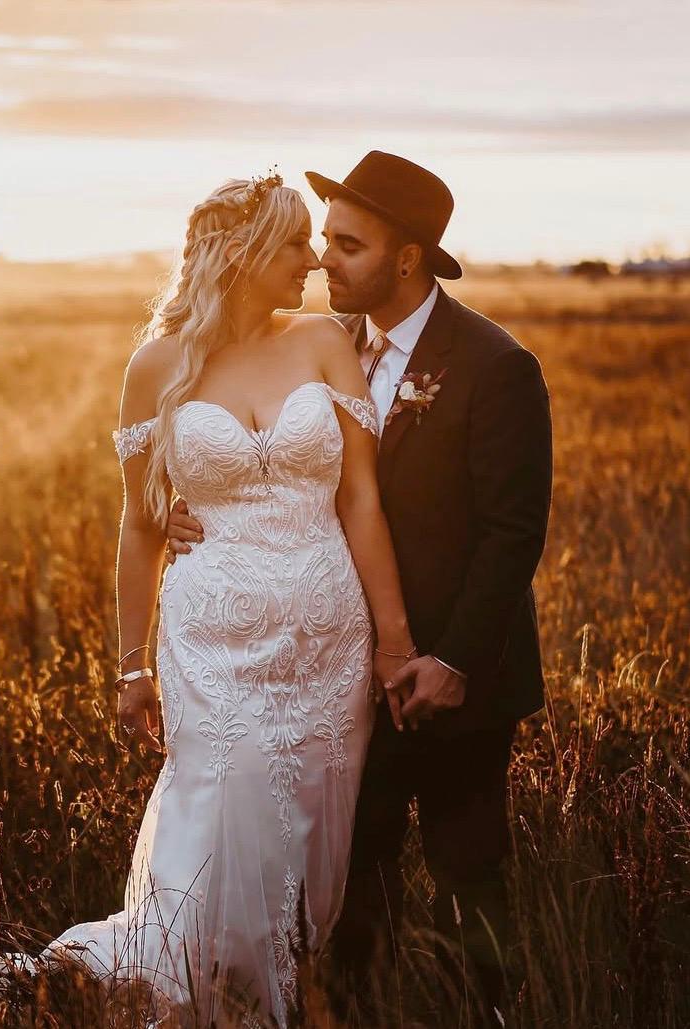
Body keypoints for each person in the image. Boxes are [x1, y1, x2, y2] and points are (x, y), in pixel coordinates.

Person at [0, 171, 416, 1029]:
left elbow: (361, 499)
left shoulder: (324, 340)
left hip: (326, 648)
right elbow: (139, 527)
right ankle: (173, 995)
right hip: (213, 650)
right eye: (294, 243)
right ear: (242, 254)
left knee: (306, 841)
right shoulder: (156, 365)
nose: (312, 260)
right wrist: (130, 666)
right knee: (217, 822)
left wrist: (392, 640)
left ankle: (275, 996)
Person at [164, 151, 554, 1024]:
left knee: (465, 872)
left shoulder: (495, 365)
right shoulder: (319, 343)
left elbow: (512, 536)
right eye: (323, 240)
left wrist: (451, 659)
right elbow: (244, 449)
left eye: (347, 245)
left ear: (405, 258)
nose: (321, 259)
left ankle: (479, 1015)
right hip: (336, 666)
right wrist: (187, 512)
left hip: (452, 674)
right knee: (349, 874)